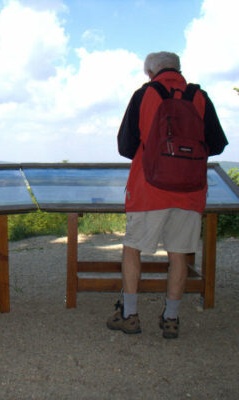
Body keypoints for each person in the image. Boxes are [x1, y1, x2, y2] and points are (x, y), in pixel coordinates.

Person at [107, 51, 228, 338]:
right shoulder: (200, 96)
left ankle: (130, 315)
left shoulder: (145, 94)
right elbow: (217, 144)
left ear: (150, 72)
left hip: (150, 190)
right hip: (190, 192)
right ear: (179, 69)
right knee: (178, 256)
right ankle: (171, 319)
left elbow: (126, 146)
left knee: (132, 249)